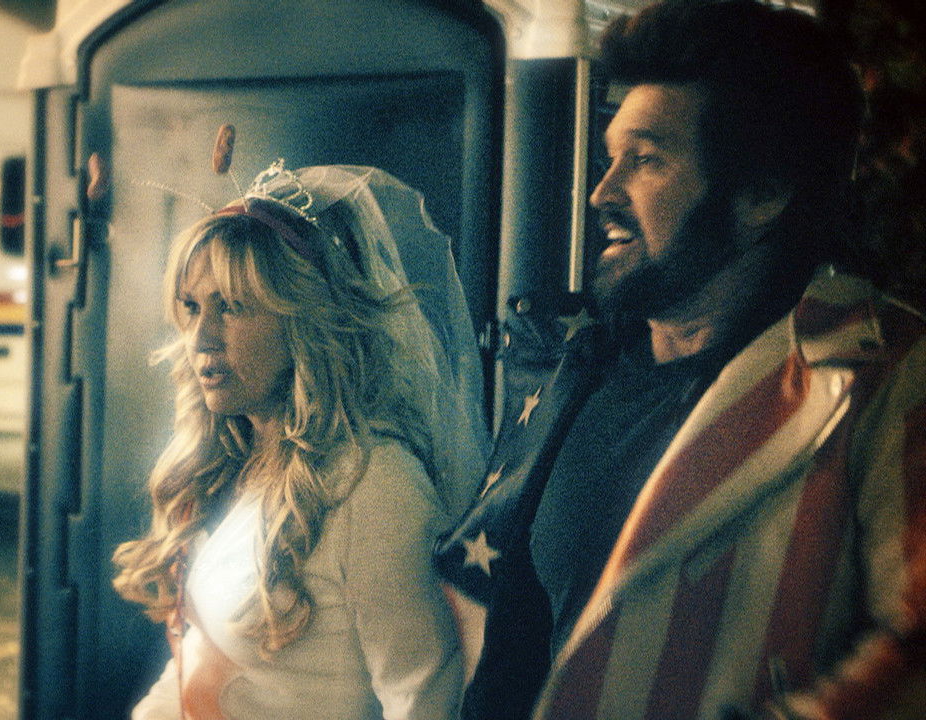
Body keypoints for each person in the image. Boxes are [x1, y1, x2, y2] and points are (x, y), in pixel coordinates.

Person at [435, 1, 926, 718]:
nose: (602, 192)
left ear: (760, 195)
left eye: (646, 160)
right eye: (611, 158)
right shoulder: (581, 365)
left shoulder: (881, 377)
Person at [113, 162, 487, 720]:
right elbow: (197, 665)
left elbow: (423, 701)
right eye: (192, 307)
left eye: (232, 306)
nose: (201, 338)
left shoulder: (374, 486)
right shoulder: (245, 463)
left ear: (302, 322)